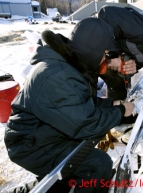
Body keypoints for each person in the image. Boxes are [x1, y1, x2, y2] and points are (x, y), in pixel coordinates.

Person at [4, 18, 134, 193]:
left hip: (45, 132)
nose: (105, 60)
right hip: (30, 144)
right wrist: (120, 110)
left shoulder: (69, 65)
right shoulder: (59, 74)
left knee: (69, 174)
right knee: (97, 165)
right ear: (94, 51)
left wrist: (112, 103)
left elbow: (79, 104)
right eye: (104, 54)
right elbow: (86, 124)